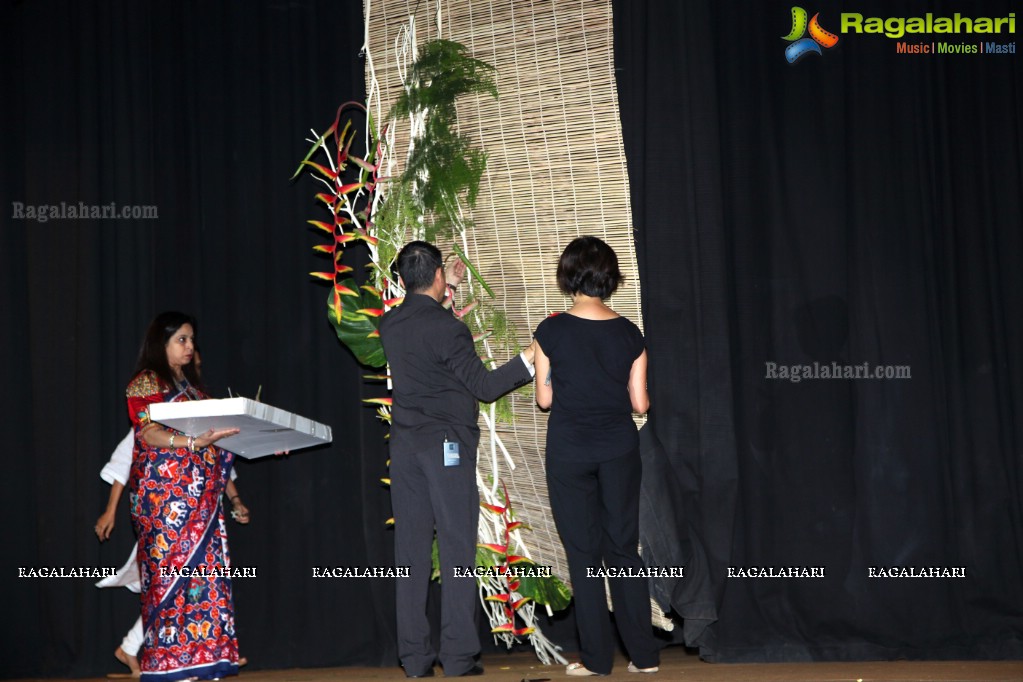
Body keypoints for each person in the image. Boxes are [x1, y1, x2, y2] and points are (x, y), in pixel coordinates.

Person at [380, 241, 536, 678]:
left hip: (405, 447)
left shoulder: (390, 324)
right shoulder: (449, 329)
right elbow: (484, 387)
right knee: (455, 549)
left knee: (409, 553)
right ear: (436, 277)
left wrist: (444, 287)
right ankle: (459, 656)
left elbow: (421, 322)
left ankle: (414, 660)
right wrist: (528, 358)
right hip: (445, 446)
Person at [532, 236, 660, 677]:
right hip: (619, 448)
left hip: (569, 449)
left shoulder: (550, 331)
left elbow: (544, 401)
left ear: (568, 276)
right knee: (624, 549)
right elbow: (640, 405)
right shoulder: (630, 333)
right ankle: (644, 657)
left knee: (583, 554)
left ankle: (597, 661)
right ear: (610, 277)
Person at [126, 311, 242, 681]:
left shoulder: (195, 392)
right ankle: (170, 665)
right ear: (163, 343)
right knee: (167, 581)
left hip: (203, 505)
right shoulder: (146, 383)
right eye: (182, 340)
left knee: (204, 581)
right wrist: (191, 442)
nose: (191, 347)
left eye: (192, 340)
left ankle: (201, 660)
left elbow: (218, 448)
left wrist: (266, 444)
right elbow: (148, 434)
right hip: (164, 505)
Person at [94, 427, 250, 678]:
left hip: (199, 525)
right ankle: (157, 654)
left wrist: (236, 500)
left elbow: (219, 470)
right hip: (167, 525)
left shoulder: (201, 424)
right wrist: (110, 511)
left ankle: (205, 650)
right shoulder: (149, 425)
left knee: (192, 589)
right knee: (168, 588)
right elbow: (123, 465)